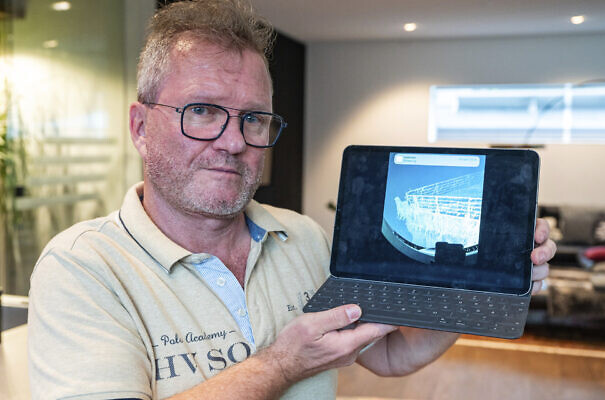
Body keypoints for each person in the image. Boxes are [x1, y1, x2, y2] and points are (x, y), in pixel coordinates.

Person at [27, 1, 556, 399]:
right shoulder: (82, 268)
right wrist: (282, 364)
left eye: (253, 118)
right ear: (141, 127)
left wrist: (481, 286)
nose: (233, 142)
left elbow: (392, 353)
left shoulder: (300, 236)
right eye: (204, 112)